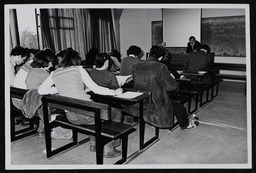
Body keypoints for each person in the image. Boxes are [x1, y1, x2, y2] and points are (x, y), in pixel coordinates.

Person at [38, 48, 123, 158]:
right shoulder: (78, 69)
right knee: (116, 113)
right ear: (76, 60)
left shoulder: (54, 73)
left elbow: (41, 90)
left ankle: (94, 144)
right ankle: (108, 148)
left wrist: (60, 89)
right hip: (86, 115)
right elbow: (96, 89)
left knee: (95, 112)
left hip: (70, 116)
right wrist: (115, 92)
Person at [132, 45, 198, 129]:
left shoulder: (136, 66)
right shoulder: (160, 67)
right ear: (161, 57)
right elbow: (172, 87)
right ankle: (186, 125)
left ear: (150, 54)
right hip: (156, 102)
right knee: (180, 108)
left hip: (140, 100)